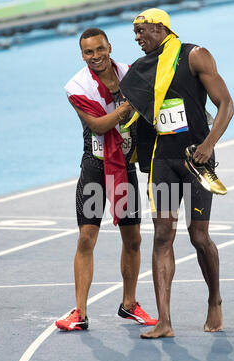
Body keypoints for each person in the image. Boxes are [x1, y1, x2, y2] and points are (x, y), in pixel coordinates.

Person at [120, 9, 234, 338]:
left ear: (161, 27)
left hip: (196, 162)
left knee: (199, 237)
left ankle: (214, 299)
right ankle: (164, 321)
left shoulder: (195, 56)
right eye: (135, 34)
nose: (138, 38)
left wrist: (209, 146)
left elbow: (225, 103)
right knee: (162, 236)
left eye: (142, 31)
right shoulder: (142, 70)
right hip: (163, 162)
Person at [56, 28, 158, 331]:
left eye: (100, 49)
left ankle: (129, 305)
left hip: (124, 166)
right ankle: (80, 312)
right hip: (95, 168)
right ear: (82, 54)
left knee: (134, 239)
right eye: (89, 52)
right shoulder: (77, 86)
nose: (96, 56)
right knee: (87, 237)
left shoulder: (129, 73)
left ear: (109, 47)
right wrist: (129, 105)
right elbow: (98, 125)